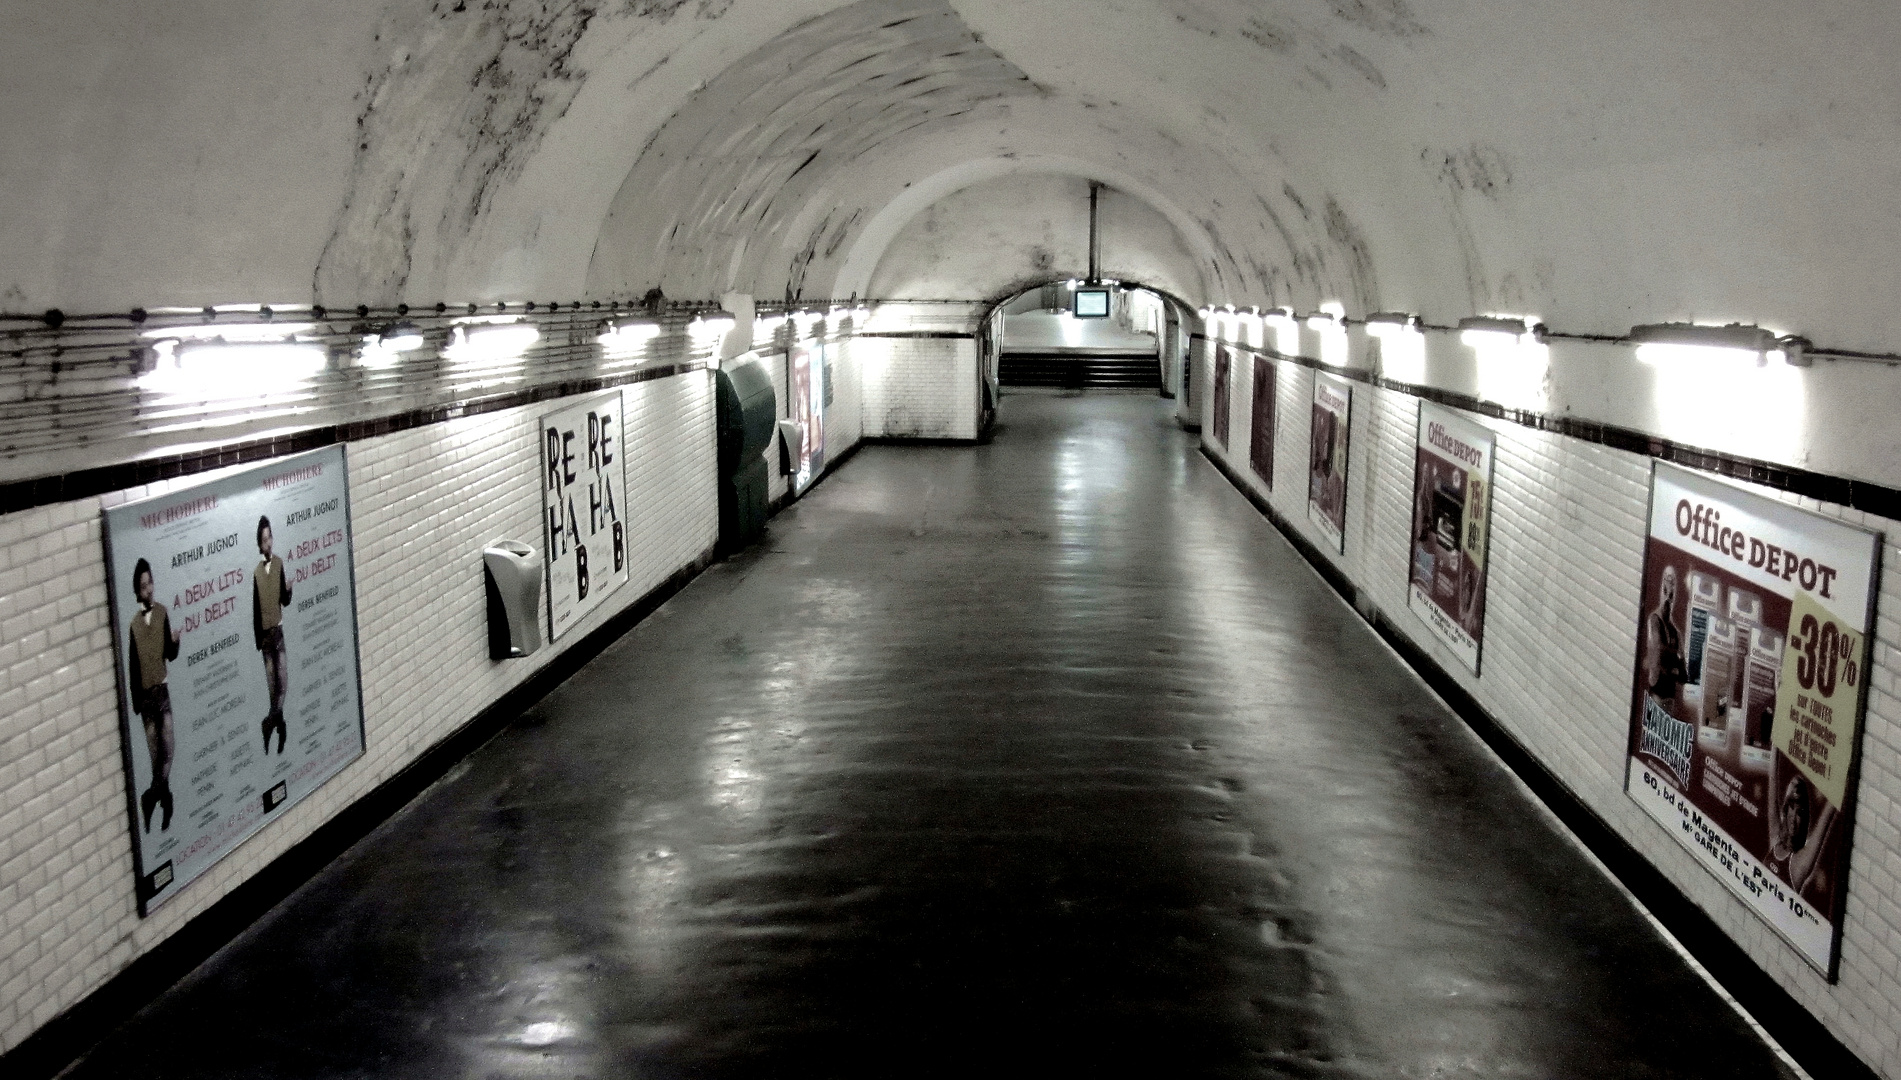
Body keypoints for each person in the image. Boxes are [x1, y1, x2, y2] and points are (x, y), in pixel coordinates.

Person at [128, 558, 181, 832]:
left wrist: (175, 642)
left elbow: (168, 655)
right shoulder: (134, 625)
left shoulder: (161, 613)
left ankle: (151, 797)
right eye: (143, 586)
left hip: (163, 693)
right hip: (147, 700)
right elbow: (133, 667)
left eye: (150, 583)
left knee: (169, 750)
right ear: (137, 592)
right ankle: (165, 798)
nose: (149, 589)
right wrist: (137, 703)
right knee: (156, 758)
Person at [252, 516, 292, 754]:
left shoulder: (278, 564)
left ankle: (270, 722)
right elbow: (255, 608)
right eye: (264, 540)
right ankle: (278, 723)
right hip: (266, 637)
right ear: (259, 544)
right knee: (272, 687)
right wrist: (258, 639)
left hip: (278, 631)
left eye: (270, 538)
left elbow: (283, 601)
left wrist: (289, 591)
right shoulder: (256, 573)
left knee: (283, 682)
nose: (268, 543)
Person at [1645, 565, 1688, 706]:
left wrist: (1673, 662)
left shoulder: (1676, 633)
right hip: (1656, 694)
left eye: (1671, 595)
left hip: (1669, 699)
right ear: (1660, 590)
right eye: (1665, 591)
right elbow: (1658, 652)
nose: (1667, 599)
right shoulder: (1654, 620)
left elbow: (1683, 675)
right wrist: (1674, 659)